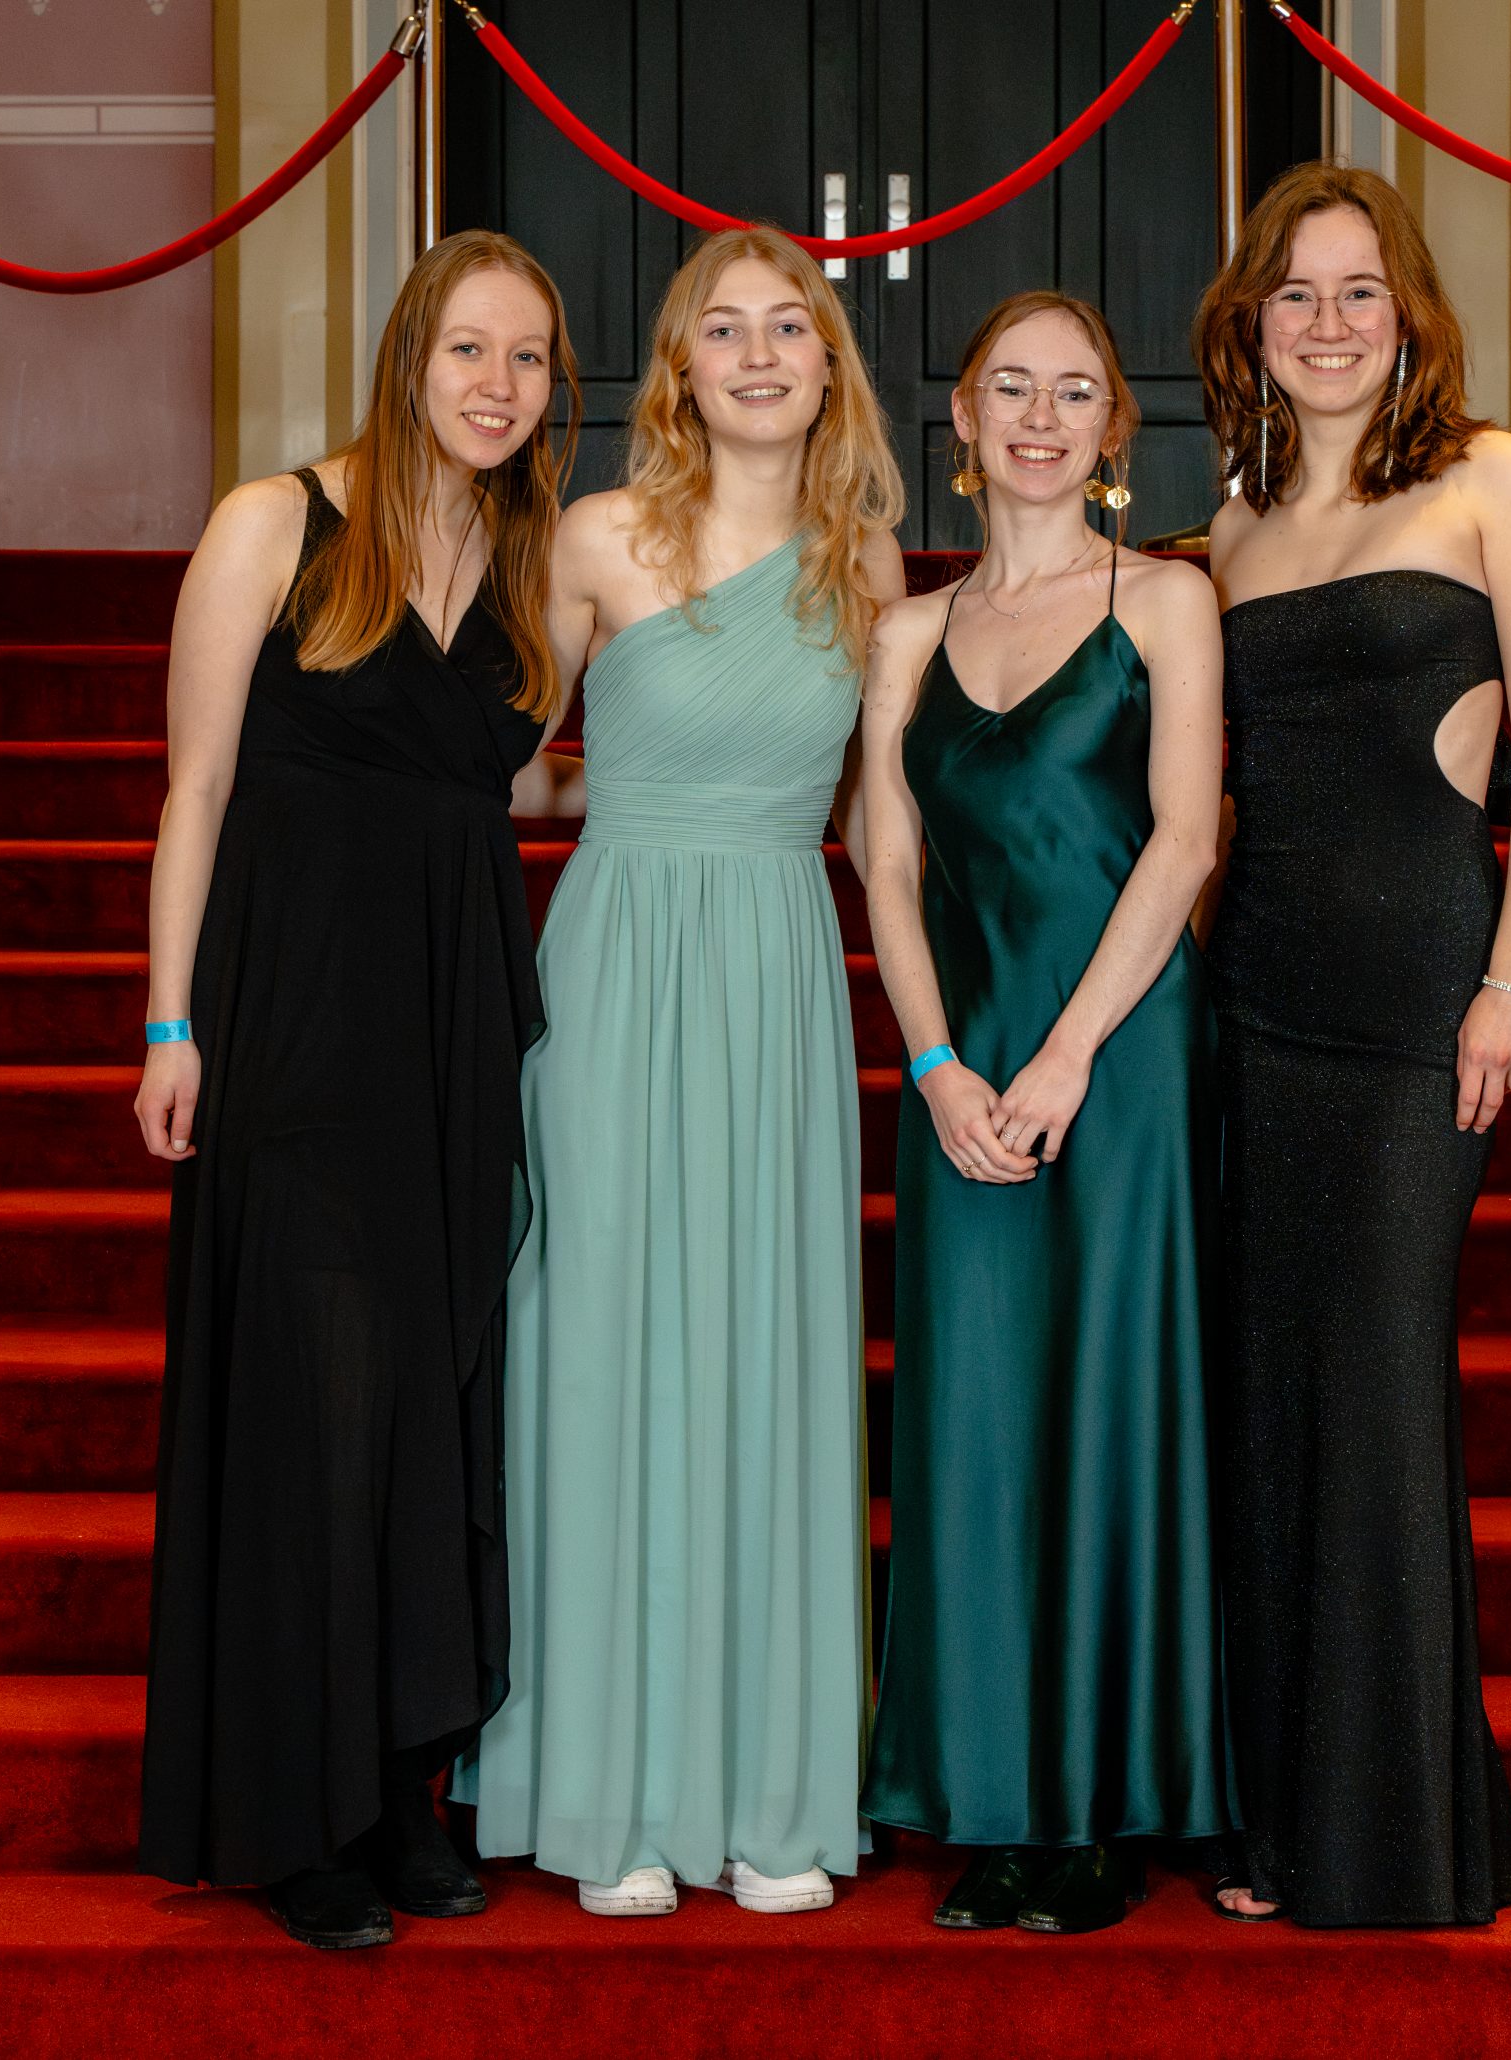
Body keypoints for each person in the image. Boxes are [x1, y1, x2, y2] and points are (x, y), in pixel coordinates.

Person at [133, 229, 584, 1949]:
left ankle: (404, 1785)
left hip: (453, 1037)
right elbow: (195, 789)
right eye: (468, 349)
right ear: (408, 357)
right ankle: (302, 1813)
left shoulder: (529, 564)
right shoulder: (276, 523)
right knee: (316, 1407)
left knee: (431, 1401)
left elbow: (497, 788)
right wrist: (170, 1022)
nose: (496, 385)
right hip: (299, 1022)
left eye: (527, 359)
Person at [464, 225, 906, 1917]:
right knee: (604, 1355)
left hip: (780, 979)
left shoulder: (865, 563)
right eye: (724, 329)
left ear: (828, 365)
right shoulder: (595, 539)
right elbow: (498, 769)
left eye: (790, 327)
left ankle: (764, 1793)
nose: (759, 354)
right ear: (681, 368)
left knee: (760, 1357)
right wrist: (627, 793)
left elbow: (879, 820)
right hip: (617, 976)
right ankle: (614, 1797)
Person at [1190, 162, 1511, 1926]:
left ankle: (1398, 1839)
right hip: (1256, 1001)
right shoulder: (1233, 528)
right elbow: (1215, 801)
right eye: (1297, 293)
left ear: (1409, 312)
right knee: (1272, 1406)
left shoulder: (1493, 477)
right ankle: (1286, 1823)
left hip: (1426, 996)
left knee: (1377, 1387)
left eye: (1360, 290)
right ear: (1253, 325)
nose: (1330, 321)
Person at [856, 291, 1232, 1935]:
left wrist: (1072, 1053)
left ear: (1111, 431)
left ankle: (1100, 1813)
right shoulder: (904, 636)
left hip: (1123, 1056)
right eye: (1009, 387)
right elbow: (885, 867)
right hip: (962, 1062)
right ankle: (993, 1805)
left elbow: (1185, 842)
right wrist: (936, 1065)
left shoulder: (1169, 602)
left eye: (1074, 392)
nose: (1038, 415)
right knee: (976, 1418)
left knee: (1113, 1403)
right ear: (962, 420)